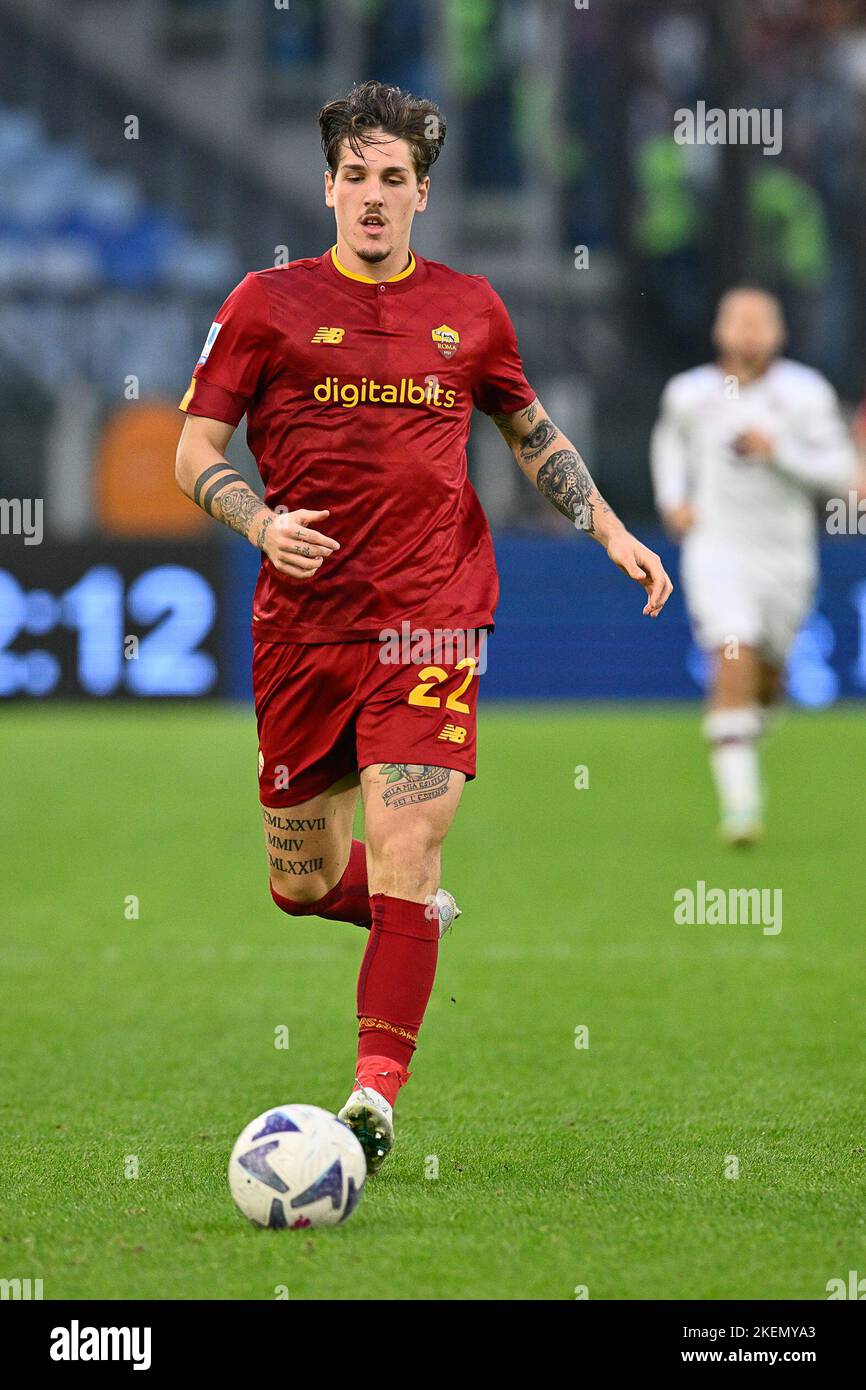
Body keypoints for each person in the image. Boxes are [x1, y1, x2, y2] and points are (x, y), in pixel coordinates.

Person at [176, 80, 671, 1182]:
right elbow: (192, 450)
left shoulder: (471, 308)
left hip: (430, 619)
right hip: (303, 629)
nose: (370, 197)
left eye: (390, 180)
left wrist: (607, 528)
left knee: (408, 844)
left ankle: (370, 1099)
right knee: (301, 881)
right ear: (327, 188)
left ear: (421, 195)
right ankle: (409, 924)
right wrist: (257, 520)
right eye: (353, 177)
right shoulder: (265, 304)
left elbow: (530, 431)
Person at [651, 288, 856, 844]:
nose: (748, 331)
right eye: (738, 320)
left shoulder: (806, 393)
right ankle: (742, 810)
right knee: (730, 649)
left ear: (779, 332)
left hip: (786, 557)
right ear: (719, 330)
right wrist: (674, 499)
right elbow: (668, 444)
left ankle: (741, 731)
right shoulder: (690, 393)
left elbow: (843, 473)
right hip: (717, 549)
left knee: (769, 677)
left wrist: (779, 452)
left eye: (760, 321)